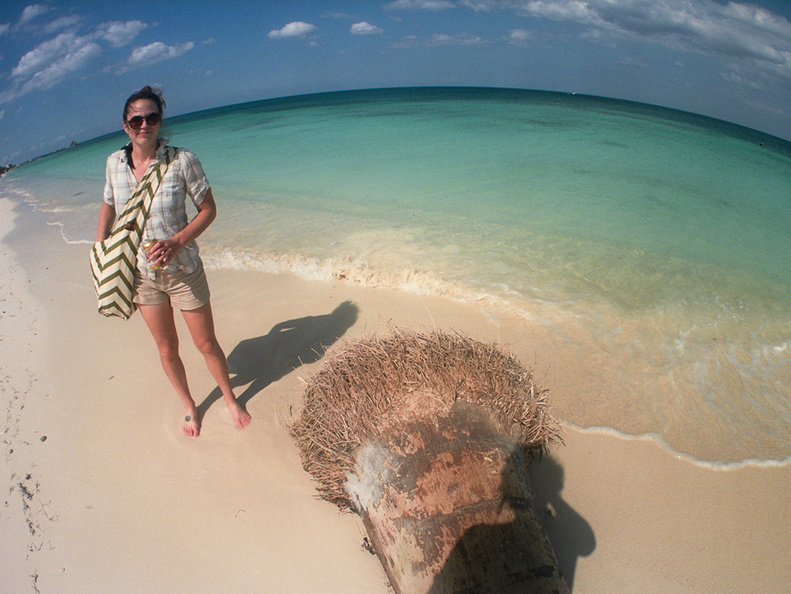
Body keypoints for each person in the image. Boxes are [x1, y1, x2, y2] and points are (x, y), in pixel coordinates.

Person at [95, 86, 251, 437]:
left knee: (206, 343)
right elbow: (108, 203)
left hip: (183, 270)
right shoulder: (113, 164)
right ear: (125, 125)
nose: (144, 124)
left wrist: (177, 241)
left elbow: (208, 209)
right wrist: (100, 244)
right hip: (140, 274)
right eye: (137, 119)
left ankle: (229, 398)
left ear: (160, 121)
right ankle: (189, 406)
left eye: (151, 117)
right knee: (166, 348)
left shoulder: (181, 161)